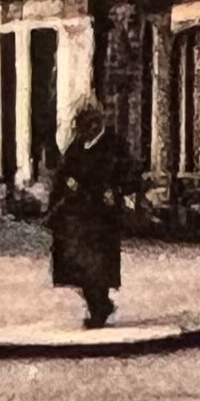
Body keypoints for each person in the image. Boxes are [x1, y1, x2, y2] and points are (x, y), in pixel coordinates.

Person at [45, 95, 144, 328]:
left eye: (84, 124)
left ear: (95, 123)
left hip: (101, 217)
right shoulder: (78, 146)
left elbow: (128, 175)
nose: (80, 130)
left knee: (96, 266)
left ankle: (99, 307)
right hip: (77, 216)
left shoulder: (114, 145)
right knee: (75, 264)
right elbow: (63, 173)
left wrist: (118, 194)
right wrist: (67, 186)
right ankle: (99, 304)